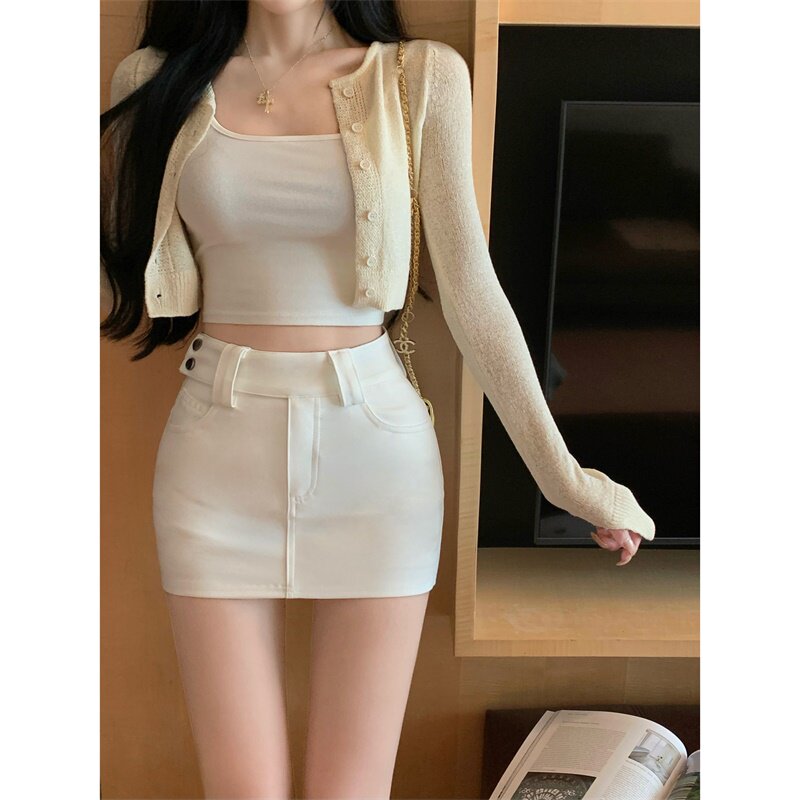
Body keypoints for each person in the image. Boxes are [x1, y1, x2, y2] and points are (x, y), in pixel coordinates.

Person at [100, 1, 656, 797]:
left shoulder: (420, 78)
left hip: (374, 454)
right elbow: (111, 258)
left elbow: (471, 293)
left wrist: (566, 480)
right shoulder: (152, 81)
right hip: (214, 452)